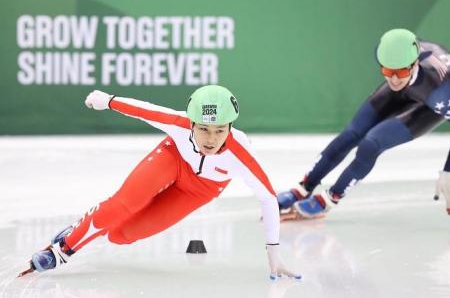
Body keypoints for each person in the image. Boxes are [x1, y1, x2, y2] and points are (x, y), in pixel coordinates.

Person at [20, 85, 300, 280]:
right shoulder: (178, 124)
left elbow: (267, 198)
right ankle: (62, 250)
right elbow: (145, 109)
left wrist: (273, 254)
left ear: (230, 127)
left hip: (201, 189)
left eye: (219, 130)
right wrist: (108, 100)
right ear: (191, 123)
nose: (211, 140)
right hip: (173, 158)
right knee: (125, 203)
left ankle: (79, 229)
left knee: (121, 235)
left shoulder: (240, 153)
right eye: (203, 129)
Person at [277, 28, 450, 220]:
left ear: (415, 63)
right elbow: (398, 65)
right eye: (387, 70)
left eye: (399, 71)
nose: (393, 78)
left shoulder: (442, 89)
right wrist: (400, 73)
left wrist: (447, 171)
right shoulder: (397, 54)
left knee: (371, 144)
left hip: (431, 105)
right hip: (407, 89)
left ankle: (330, 198)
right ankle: (303, 188)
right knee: (352, 133)